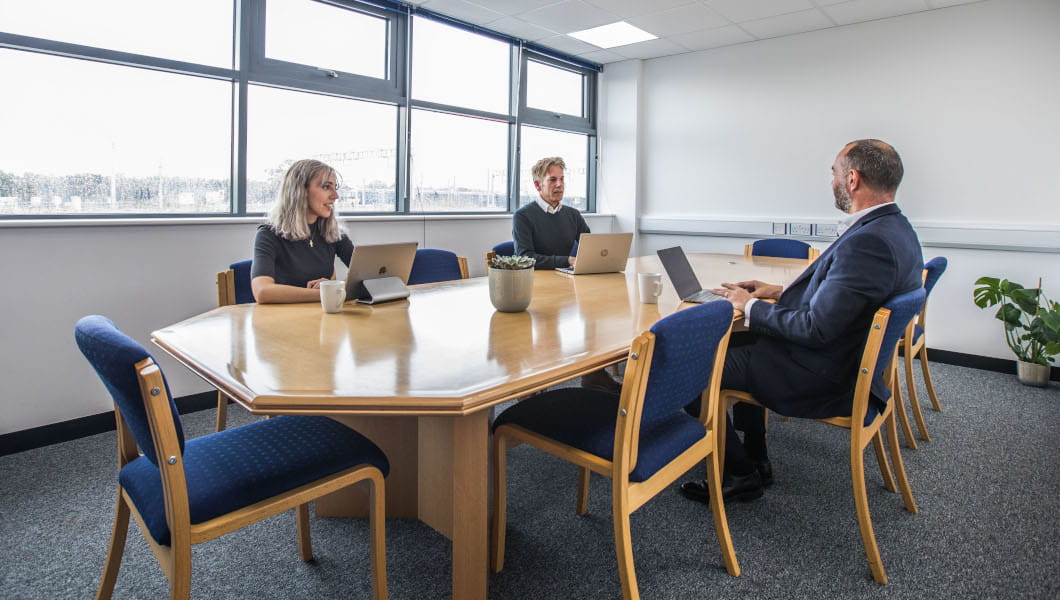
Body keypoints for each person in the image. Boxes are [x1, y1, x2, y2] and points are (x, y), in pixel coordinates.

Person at [680, 139, 924, 505]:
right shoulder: (896, 229)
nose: (832, 182)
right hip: (843, 360)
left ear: (853, 179)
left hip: (821, 374)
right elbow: (842, 300)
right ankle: (756, 456)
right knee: (737, 343)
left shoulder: (868, 242)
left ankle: (740, 473)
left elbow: (815, 328)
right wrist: (775, 292)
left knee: (691, 368)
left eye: (834, 174)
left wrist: (748, 307)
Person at [251, 159, 354, 304]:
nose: (335, 195)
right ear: (300, 191)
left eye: (335, 187)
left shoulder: (334, 232)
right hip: (282, 320)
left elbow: (367, 274)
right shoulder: (269, 233)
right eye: (326, 187)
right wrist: (328, 293)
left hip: (323, 319)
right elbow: (262, 292)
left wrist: (334, 288)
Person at [512, 156, 590, 270]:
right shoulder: (522, 216)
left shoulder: (574, 215)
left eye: (562, 179)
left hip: (566, 278)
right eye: (553, 180)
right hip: (537, 281)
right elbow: (525, 258)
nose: (559, 184)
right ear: (538, 185)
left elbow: (590, 247)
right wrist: (567, 261)